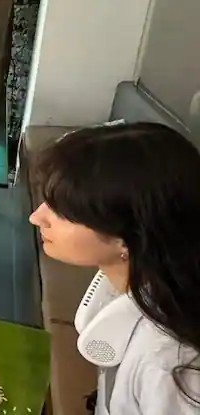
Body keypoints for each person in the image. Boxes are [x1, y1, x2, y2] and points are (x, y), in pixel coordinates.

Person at [29, 122, 200, 415]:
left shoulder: (169, 369)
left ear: (129, 237)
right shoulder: (139, 278)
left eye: (63, 212)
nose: (36, 217)